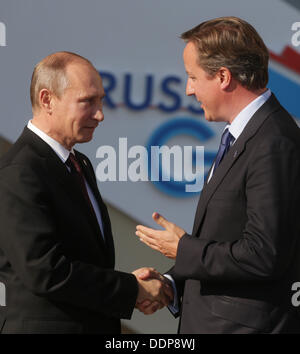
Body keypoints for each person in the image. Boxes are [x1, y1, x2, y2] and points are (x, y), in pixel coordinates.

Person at [136, 16, 300, 333]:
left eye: (193, 77)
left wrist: (184, 249)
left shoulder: (273, 143)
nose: (188, 89)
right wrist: (172, 283)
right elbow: (227, 240)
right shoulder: (245, 136)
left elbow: (264, 254)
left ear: (223, 77)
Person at [0, 52, 172, 334]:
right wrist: (131, 289)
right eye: (87, 102)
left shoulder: (80, 164)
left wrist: (128, 284)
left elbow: (81, 259)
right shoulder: (19, 172)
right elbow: (45, 271)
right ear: (47, 100)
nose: (100, 114)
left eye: (101, 100)